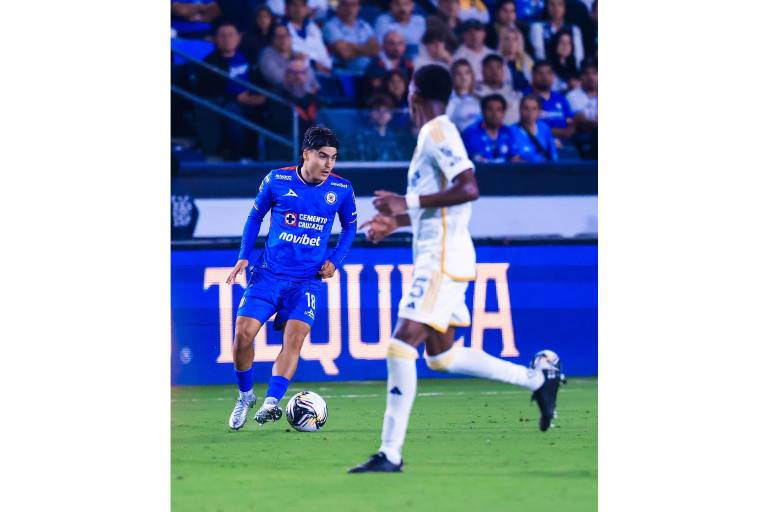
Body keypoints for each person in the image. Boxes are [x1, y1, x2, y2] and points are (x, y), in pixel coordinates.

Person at [349, 64, 564, 473]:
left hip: (441, 259)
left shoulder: (437, 131)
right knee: (441, 357)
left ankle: (390, 453)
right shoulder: (434, 134)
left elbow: (469, 187)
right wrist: (397, 221)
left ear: (414, 94)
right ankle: (538, 380)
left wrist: (406, 202)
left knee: (400, 346)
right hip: (444, 253)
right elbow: (447, 205)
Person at [226, 126, 357, 430]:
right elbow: (255, 216)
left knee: (294, 339)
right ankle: (245, 396)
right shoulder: (277, 180)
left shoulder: (341, 189)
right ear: (306, 154)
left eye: (333, 158)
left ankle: (272, 402)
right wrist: (244, 255)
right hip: (268, 275)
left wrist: (335, 261)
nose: (328, 164)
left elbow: (350, 227)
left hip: (307, 281)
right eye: (322, 156)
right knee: (242, 336)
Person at [195, 21, 266, 160]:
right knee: (232, 110)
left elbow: (260, 82)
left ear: (238, 38)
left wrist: (259, 97)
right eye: (222, 35)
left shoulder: (249, 58)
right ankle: (237, 156)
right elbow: (208, 90)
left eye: (231, 35)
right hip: (227, 103)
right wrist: (237, 97)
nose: (227, 39)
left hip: (251, 100)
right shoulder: (208, 63)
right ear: (215, 39)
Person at [351, 94, 415, 160]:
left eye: (386, 110)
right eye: (377, 110)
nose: (382, 114)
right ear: (369, 113)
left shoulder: (394, 137)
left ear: (391, 115)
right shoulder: (361, 136)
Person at [323, 0, 379, 72]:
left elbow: (376, 49)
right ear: (338, 7)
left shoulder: (364, 25)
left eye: (353, 5)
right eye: (345, 5)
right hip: (344, 73)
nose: (350, 9)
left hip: (368, 72)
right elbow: (345, 53)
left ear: (359, 7)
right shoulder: (330, 26)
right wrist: (366, 48)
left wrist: (352, 47)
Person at [524, 60, 574, 141]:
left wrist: (568, 132)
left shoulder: (560, 98)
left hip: (565, 142)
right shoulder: (524, 97)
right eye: (540, 73)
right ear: (532, 75)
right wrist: (559, 133)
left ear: (554, 76)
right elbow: (527, 126)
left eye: (549, 73)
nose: (545, 77)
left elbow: (570, 122)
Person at [259, 24, 320, 89]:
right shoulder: (267, 54)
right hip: (277, 93)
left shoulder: (296, 54)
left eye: (286, 35)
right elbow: (276, 78)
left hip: (304, 92)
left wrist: (301, 64)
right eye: (279, 36)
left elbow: (313, 81)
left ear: (291, 38)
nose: (283, 39)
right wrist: (296, 67)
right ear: (273, 39)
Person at [461, 94, 516, 162]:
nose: (494, 114)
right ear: (483, 111)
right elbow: (477, 159)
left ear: (504, 112)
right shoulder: (471, 134)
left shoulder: (509, 132)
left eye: (498, 110)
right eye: (490, 109)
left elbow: (516, 158)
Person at [529, 0, 584, 68]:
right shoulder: (538, 28)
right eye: (552, 5)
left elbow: (579, 57)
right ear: (547, 7)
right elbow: (540, 55)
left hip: (570, 70)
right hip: (547, 70)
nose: (556, 8)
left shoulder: (574, 29)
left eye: (559, 4)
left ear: (564, 7)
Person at [283, 0, 333, 73]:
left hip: (323, 70)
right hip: (297, 72)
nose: (298, 9)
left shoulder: (313, 27)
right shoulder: (281, 28)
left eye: (302, 5)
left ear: (306, 9)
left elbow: (322, 53)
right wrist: (314, 64)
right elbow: (292, 53)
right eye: (294, 5)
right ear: (286, 8)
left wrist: (327, 67)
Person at [474, 53, 522, 124]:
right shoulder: (475, 92)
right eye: (490, 67)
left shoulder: (513, 89)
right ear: (482, 71)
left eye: (498, 67)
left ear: (503, 71)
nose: (494, 71)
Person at [510, 94, 558, 161]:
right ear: (520, 109)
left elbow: (553, 156)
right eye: (526, 108)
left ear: (539, 112)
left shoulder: (544, 129)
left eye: (534, 109)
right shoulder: (511, 131)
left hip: (544, 167)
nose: (530, 113)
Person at [364, 30, 414, 94]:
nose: (397, 48)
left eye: (400, 43)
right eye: (392, 44)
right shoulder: (375, 63)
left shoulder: (408, 62)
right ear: (383, 45)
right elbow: (375, 86)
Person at [566, 59, 596, 158]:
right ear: (581, 77)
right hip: (582, 136)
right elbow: (581, 122)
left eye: (594, 73)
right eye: (586, 74)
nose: (591, 77)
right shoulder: (572, 95)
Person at [446, 59, 482, 131]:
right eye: (458, 74)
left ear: (472, 76)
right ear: (452, 76)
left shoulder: (480, 100)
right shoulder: (447, 102)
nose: (463, 77)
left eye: (467, 73)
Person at [496, 25, 533, 91]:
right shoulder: (495, 59)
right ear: (502, 41)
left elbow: (532, 80)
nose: (511, 43)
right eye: (507, 39)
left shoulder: (526, 59)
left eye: (515, 39)